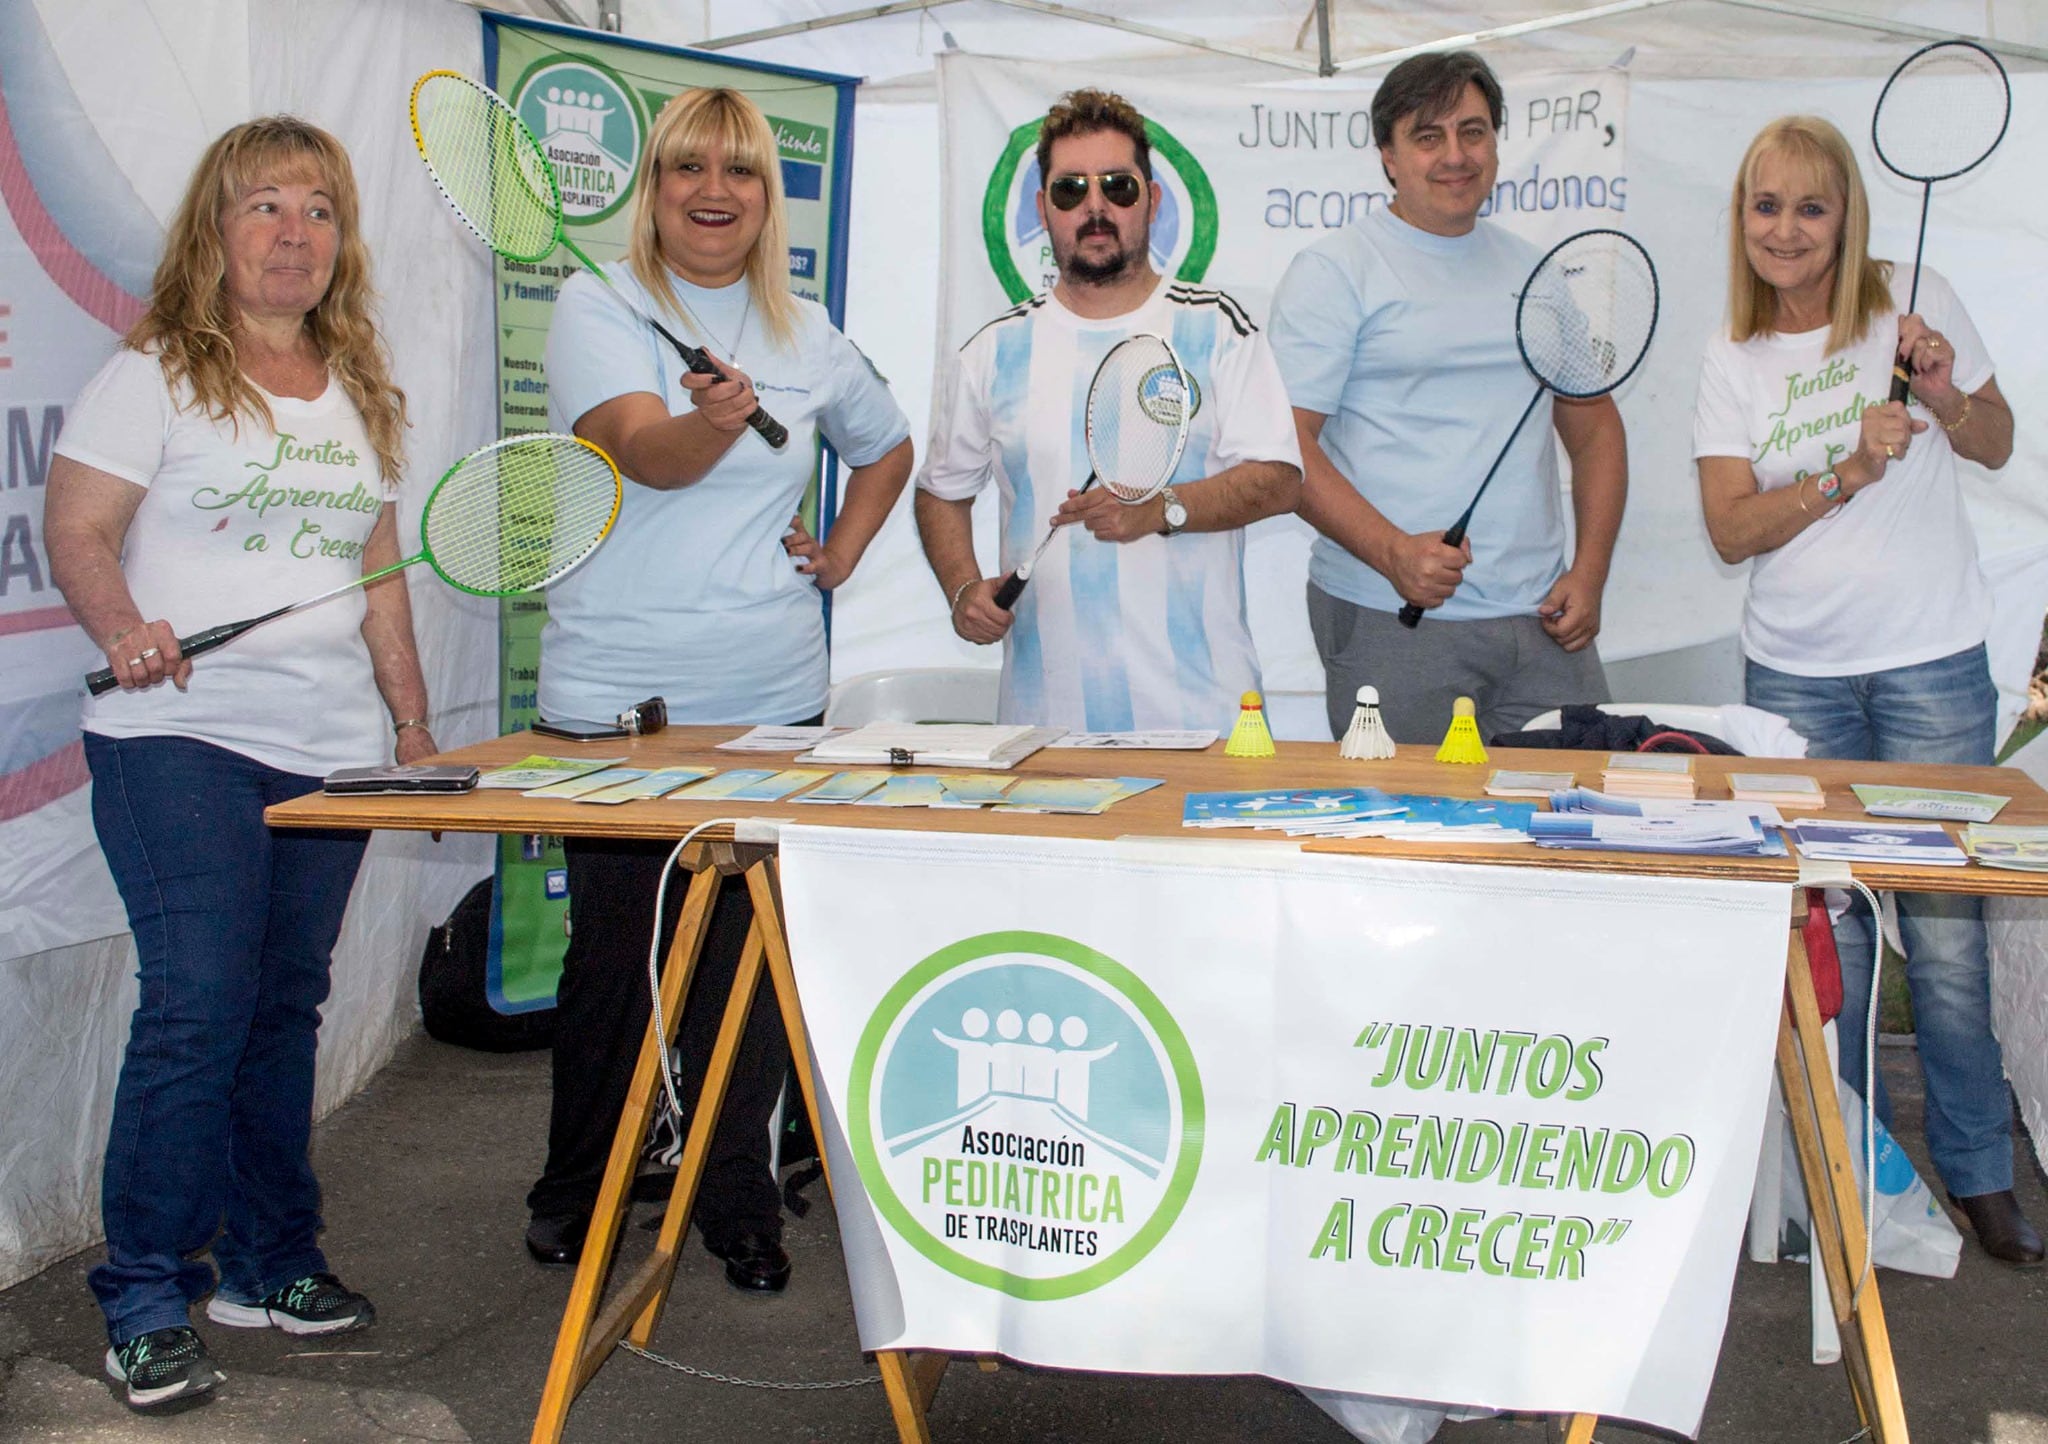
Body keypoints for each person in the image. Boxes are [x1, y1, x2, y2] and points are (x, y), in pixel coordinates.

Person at [44, 117, 433, 1410]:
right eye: (264, 205)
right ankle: (147, 1293)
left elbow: (379, 585)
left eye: (317, 209)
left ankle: (269, 1264)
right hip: (180, 741)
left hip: (328, 752)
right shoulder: (154, 373)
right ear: (215, 230)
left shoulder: (360, 387)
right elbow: (81, 530)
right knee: (199, 1004)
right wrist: (124, 628)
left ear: (342, 241)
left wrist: (416, 738)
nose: (293, 232)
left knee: (281, 1009)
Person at [530, 86, 912, 1293]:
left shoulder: (808, 331)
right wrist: (718, 420)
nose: (713, 191)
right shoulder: (598, 303)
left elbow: (886, 444)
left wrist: (841, 549)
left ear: (767, 195)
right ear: (653, 185)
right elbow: (644, 451)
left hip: (768, 697)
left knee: (743, 966)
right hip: (615, 702)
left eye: (739, 172)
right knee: (611, 960)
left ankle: (734, 1198)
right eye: (688, 167)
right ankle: (581, 1192)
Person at [1694, 115, 2037, 1266]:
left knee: (1944, 935)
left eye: (1808, 206)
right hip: (1792, 677)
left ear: (1846, 217)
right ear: (1740, 221)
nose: (1783, 230)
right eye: (1763, 206)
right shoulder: (1730, 356)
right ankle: (1836, 1172)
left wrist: (1940, 392)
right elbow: (1728, 527)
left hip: (1930, 663)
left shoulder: (1911, 300)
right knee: (1817, 934)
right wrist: (1841, 472)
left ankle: (1979, 1171)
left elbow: (1991, 443)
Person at [1268, 50, 1627, 745]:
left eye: (1472, 131)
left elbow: (1595, 430)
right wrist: (1395, 553)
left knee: (1576, 822)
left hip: (1544, 621)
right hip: (1390, 617)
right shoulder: (1336, 271)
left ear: (1494, 142)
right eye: (1427, 136)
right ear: (1388, 157)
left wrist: (1590, 572)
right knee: (1404, 835)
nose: (1454, 155)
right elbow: (1284, 447)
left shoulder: (1536, 274)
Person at [917, 88, 1301, 731]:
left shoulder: (1219, 330)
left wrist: (1161, 510)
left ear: (1151, 199)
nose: (1095, 207)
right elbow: (939, 492)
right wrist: (963, 590)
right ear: (1044, 209)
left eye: (1118, 187)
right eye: (1071, 190)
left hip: (1203, 719)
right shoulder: (991, 352)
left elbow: (1280, 480)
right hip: (1042, 729)